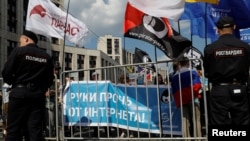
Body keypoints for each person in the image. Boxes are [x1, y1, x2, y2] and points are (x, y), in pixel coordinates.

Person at [1, 30, 54, 141]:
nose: (20, 44)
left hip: (19, 94)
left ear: (26, 39)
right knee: (35, 131)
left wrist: (14, 83)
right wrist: (40, 89)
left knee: (13, 131)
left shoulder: (19, 52)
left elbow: (6, 72)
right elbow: (49, 80)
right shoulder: (46, 57)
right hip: (37, 97)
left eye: (20, 42)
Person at [203, 16, 250, 126]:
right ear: (234, 27)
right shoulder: (245, 47)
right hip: (240, 89)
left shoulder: (210, 49)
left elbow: (207, 72)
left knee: (218, 125)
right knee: (242, 125)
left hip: (219, 90)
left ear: (217, 29)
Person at [171, 57, 202, 139]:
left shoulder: (175, 76)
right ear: (188, 62)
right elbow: (198, 86)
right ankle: (198, 138)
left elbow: (174, 91)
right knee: (196, 120)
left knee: (185, 121)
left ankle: (187, 139)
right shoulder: (193, 72)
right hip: (193, 98)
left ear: (180, 64)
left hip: (182, 100)